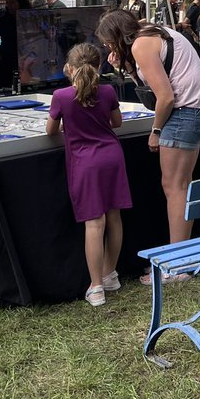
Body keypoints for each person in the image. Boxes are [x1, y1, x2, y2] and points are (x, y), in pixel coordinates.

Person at [97, 9, 200, 279]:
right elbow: (148, 84)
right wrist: (124, 66)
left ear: (118, 36)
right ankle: (182, 257)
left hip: (186, 110)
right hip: (199, 108)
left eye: (108, 42)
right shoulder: (150, 33)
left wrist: (156, 131)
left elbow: (164, 97)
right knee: (181, 186)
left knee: (174, 187)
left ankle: (177, 265)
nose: (107, 47)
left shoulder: (140, 45)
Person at [46, 43, 130, 306]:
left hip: (85, 162)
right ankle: (109, 274)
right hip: (112, 157)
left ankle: (95, 287)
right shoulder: (107, 91)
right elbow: (116, 122)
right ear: (100, 65)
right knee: (114, 216)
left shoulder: (61, 96)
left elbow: (50, 131)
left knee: (94, 223)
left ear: (69, 69)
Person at [0, 0, 30, 90]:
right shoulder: (4, 21)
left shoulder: (31, 19)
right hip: (7, 60)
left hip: (27, 60)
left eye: (12, 3)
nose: (9, 6)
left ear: (21, 3)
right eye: (7, 3)